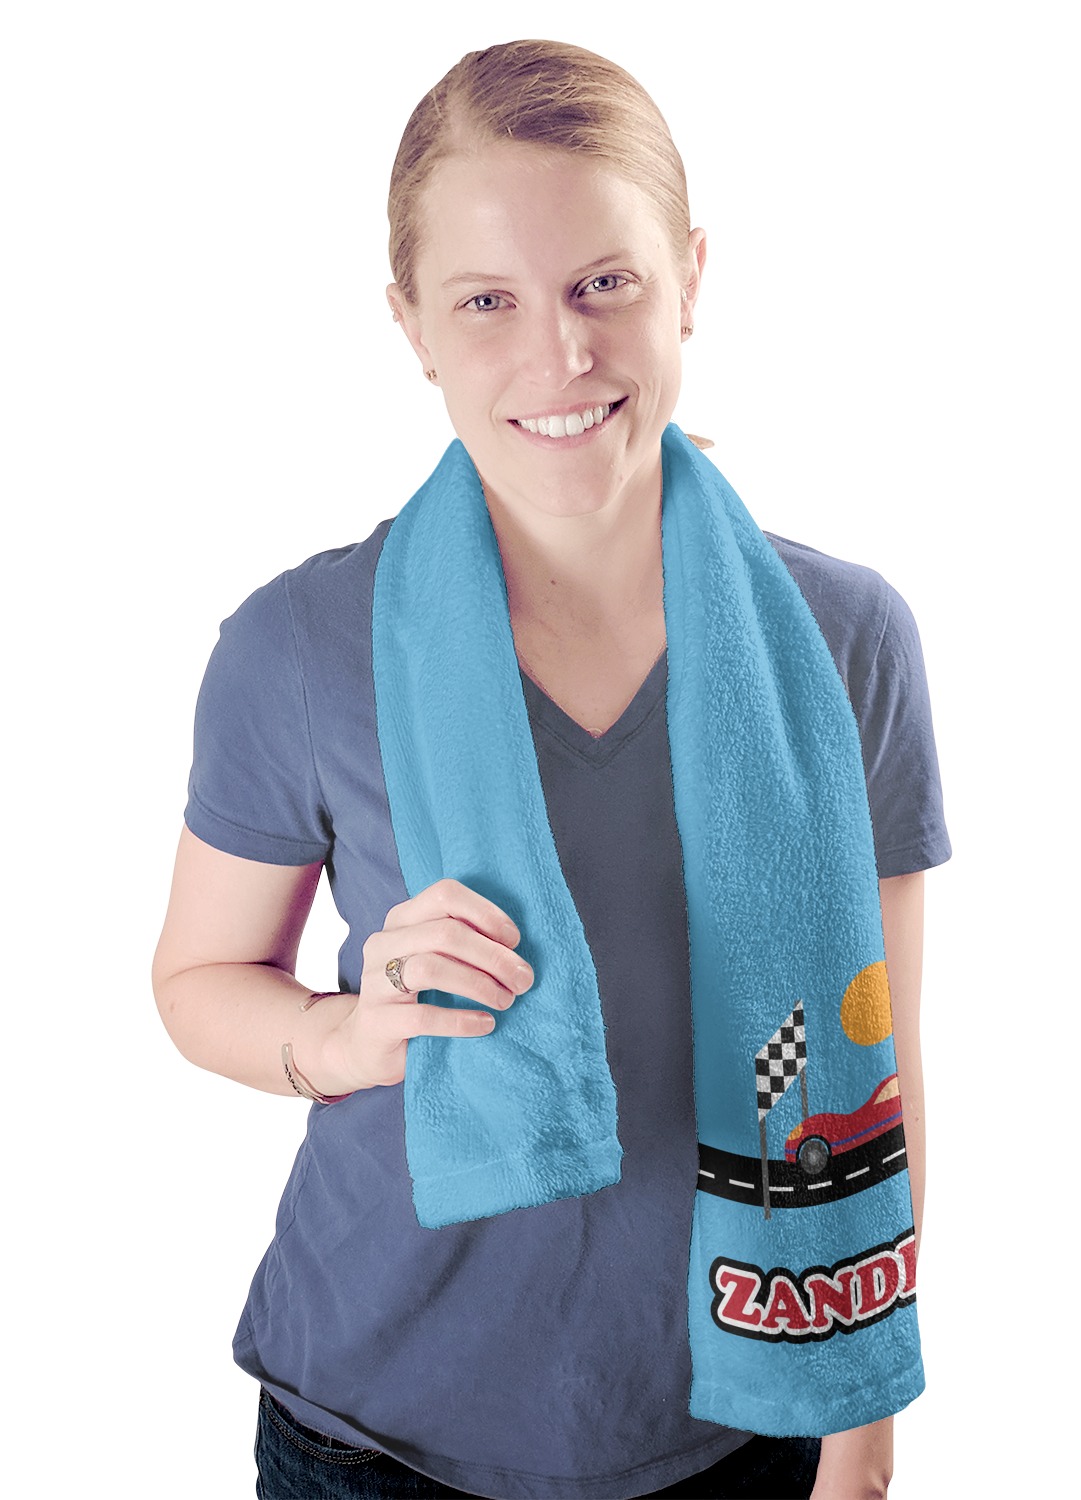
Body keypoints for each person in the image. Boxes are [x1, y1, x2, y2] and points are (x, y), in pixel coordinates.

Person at [152, 38, 951, 1500]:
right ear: (411, 323)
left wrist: (860, 1423)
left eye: (605, 283)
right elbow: (199, 982)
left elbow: (879, 1054)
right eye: (486, 301)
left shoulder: (847, 641)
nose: (560, 354)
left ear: (689, 277)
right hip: (369, 1431)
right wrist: (347, 1036)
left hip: (743, 1405)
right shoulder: (298, 646)